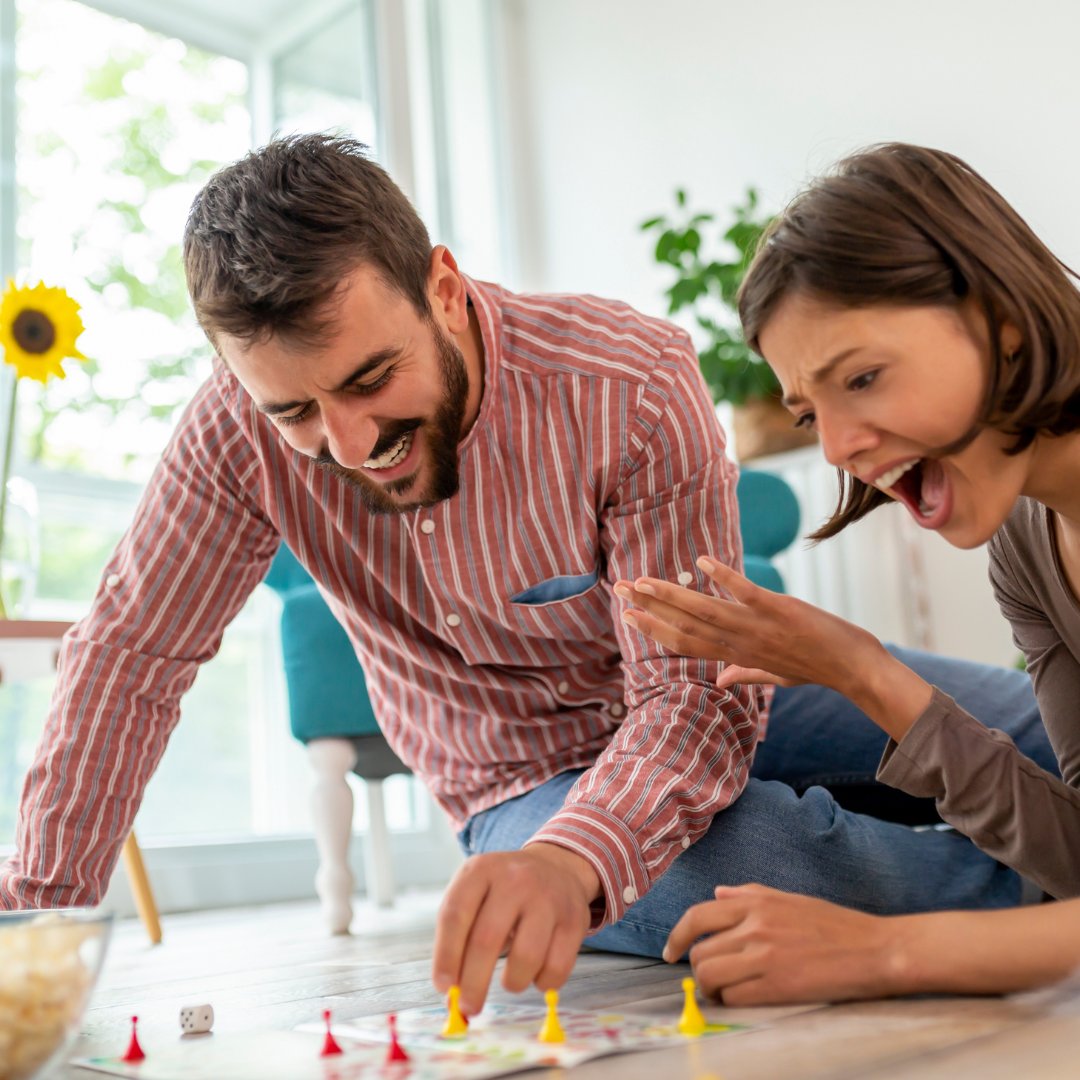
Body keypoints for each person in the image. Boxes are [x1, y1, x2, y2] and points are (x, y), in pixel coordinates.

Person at [0, 136, 1051, 1017]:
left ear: (444, 292)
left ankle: (1045, 891)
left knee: (1040, 733)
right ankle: (1047, 917)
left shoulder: (629, 380)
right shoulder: (234, 435)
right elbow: (130, 656)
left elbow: (689, 694)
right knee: (749, 859)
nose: (351, 443)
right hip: (516, 784)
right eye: (296, 413)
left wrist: (579, 856)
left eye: (372, 379)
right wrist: (31, 932)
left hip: (721, 693)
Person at [620, 142, 1080, 1004]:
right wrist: (861, 670)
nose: (837, 448)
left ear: (1001, 321)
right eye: (809, 412)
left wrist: (887, 953)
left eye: (862, 377)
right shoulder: (1028, 545)